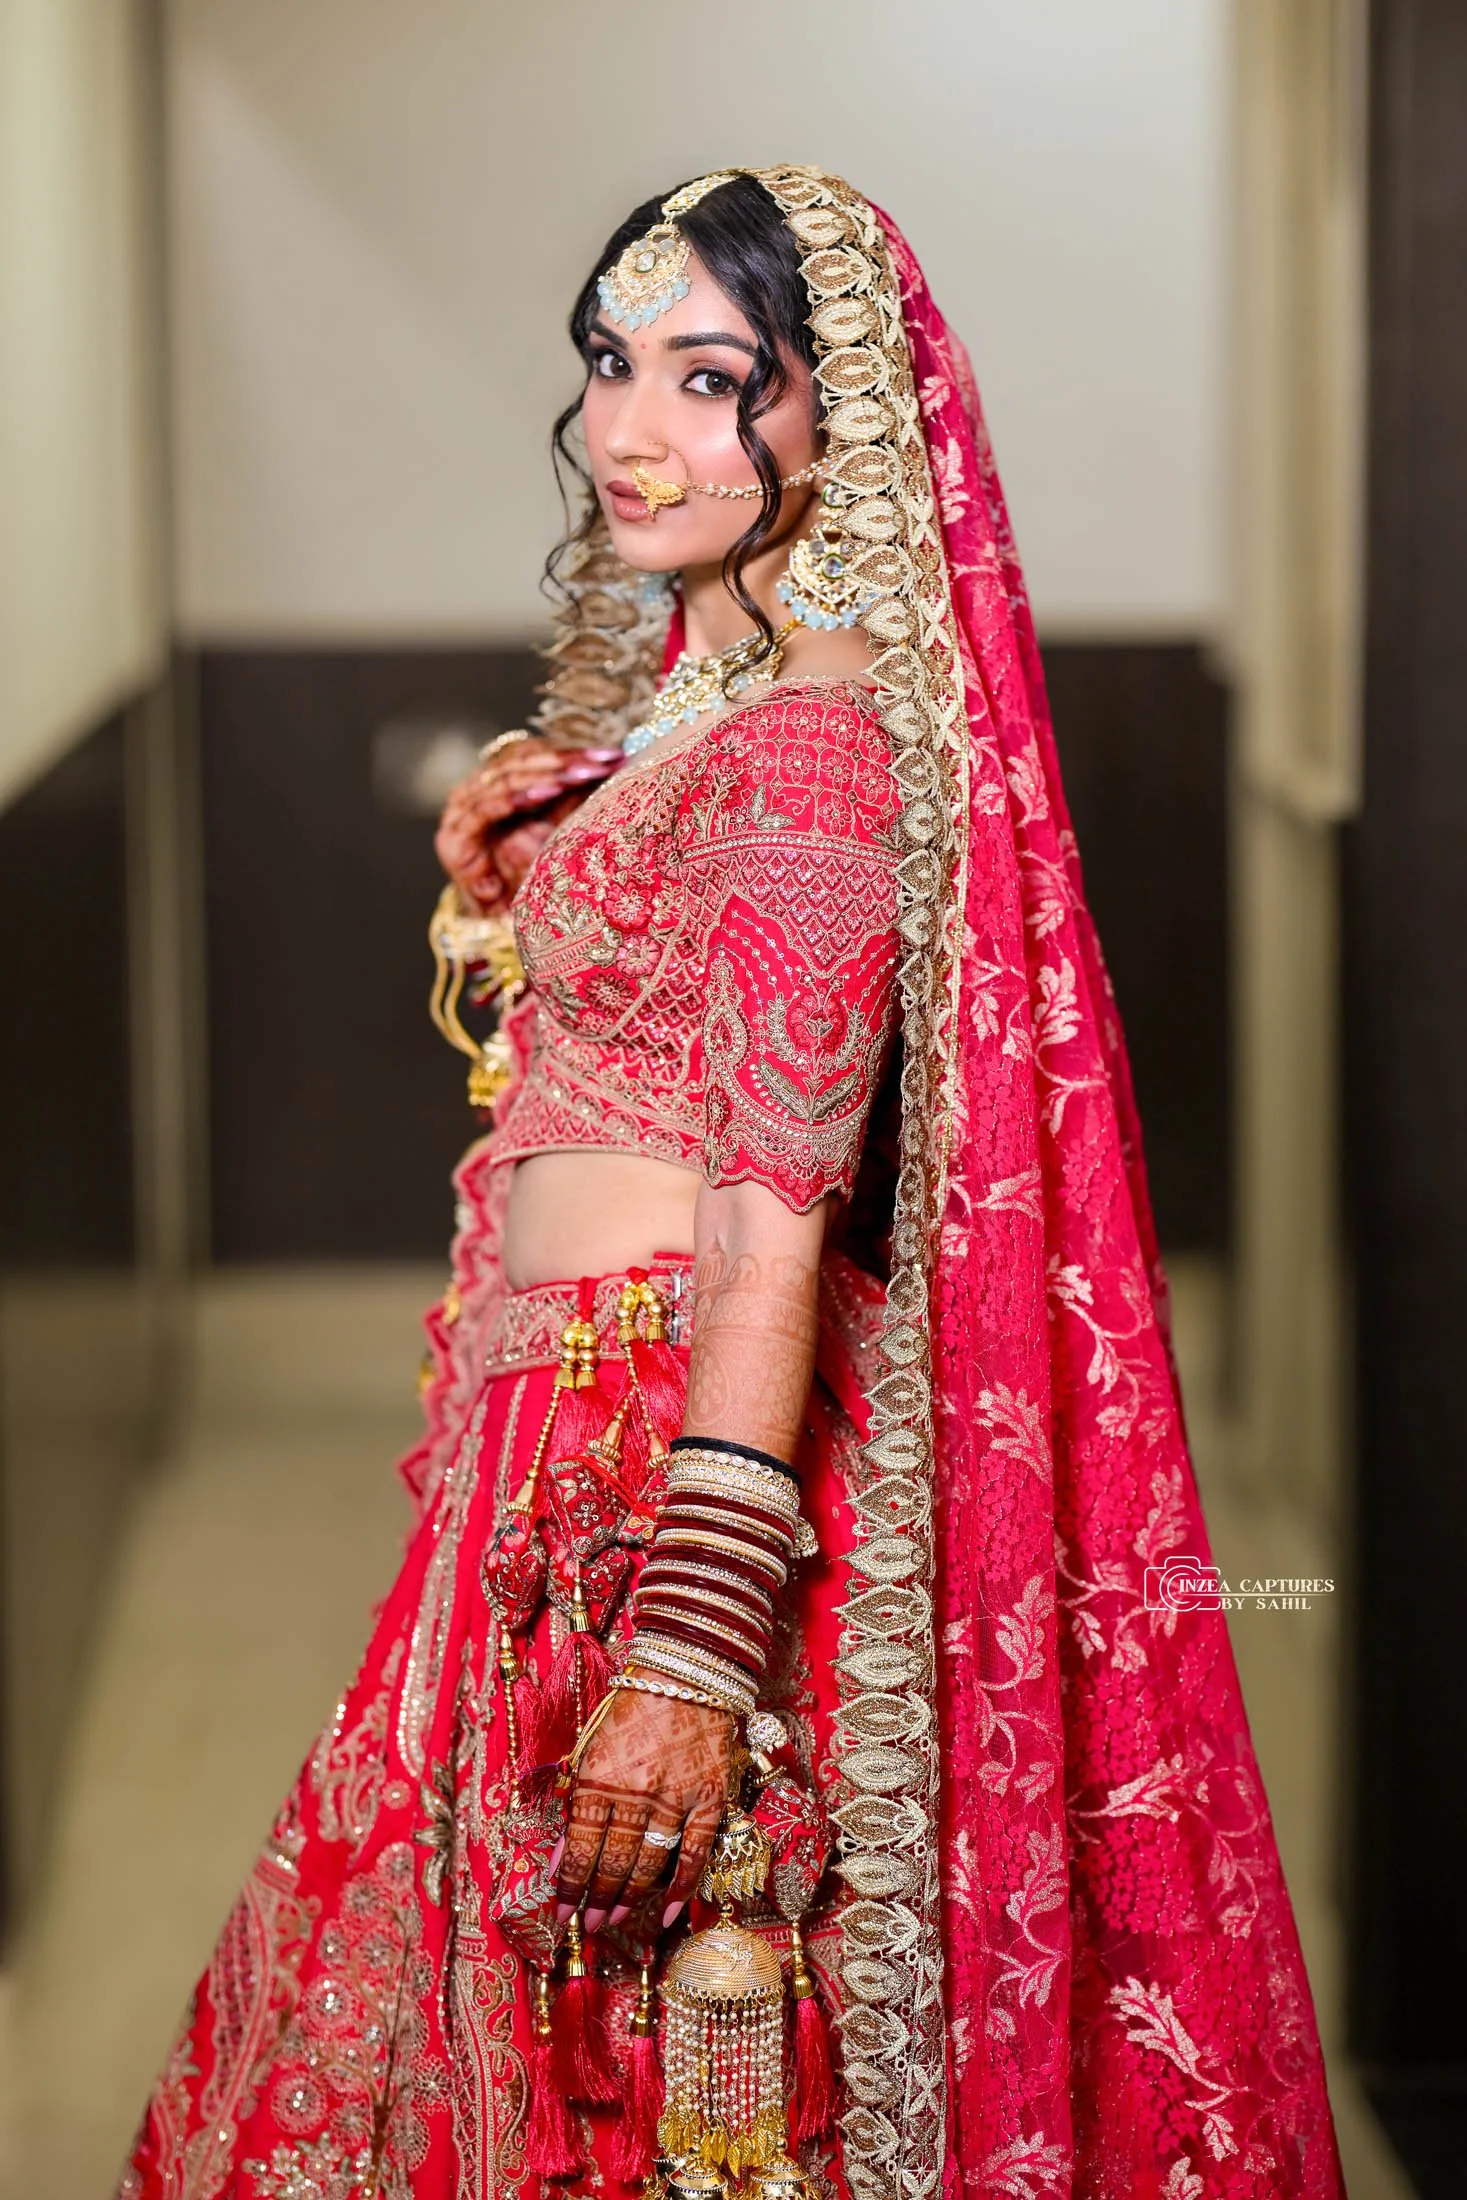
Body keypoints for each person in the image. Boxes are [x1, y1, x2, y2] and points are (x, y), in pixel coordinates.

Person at [120, 167, 1343, 2200]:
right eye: (611, 362)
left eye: (711, 378)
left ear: (831, 420)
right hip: (559, 1435)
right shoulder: (724, 698)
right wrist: (541, 865)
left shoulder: (804, 750)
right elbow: (657, 1046)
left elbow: (772, 1203)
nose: (629, 427)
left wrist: (689, 1645)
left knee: (623, 2034)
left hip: (644, 1461)